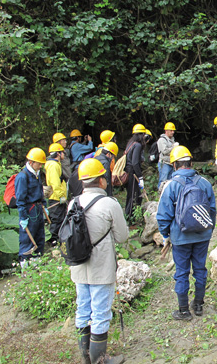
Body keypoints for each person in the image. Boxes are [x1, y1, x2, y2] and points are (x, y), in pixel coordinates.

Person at [71, 158, 128, 364]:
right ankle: (99, 359)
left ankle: (86, 357)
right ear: (102, 181)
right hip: (101, 266)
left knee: (83, 308)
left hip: (78, 265)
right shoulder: (109, 203)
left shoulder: (73, 203)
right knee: (101, 310)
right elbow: (122, 236)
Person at [156, 146, 216, 320]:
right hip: (202, 235)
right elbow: (212, 210)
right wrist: (208, 229)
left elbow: (163, 215)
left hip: (180, 237)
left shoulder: (171, 186)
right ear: (190, 163)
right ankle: (198, 305)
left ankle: (183, 310)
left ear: (174, 165)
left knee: (182, 272)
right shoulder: (204, 183)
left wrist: (166, 235)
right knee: (200, 269)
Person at [15, 148, 47, 266]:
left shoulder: (37, 174)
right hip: (29, 211)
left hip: (38, 209)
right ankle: (25, 266)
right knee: (27, 239)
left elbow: (40, 192)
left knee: (39, 237)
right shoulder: (23, 177)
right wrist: (23, 217)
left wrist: (44, 205)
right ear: (31, 162)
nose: (40, 166)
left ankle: (37, 264)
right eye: (39, 164)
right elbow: (20, 199)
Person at [45, 143, 68, 244]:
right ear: (58, 153)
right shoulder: (53, 165)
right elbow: (55, 183)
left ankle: (58, 238)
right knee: (57, 219)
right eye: (62, 152)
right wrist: (61, 196)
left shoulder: (55, 164)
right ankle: (52, 240)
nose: (64, 154)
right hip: (56, 197)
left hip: (57, 196)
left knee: (60, 218)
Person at [125, 124, 147, 222]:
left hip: (129, 172)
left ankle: (130, 216)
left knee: (131, 195)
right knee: (134, 196)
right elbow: (135, 163)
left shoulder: (131, 143)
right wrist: (140, 177)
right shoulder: (137, 145)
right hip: (133, 174)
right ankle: (130, 218)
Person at [155, 122, 179, 189]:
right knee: (163, 181)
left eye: (173, 130)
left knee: (170, 181)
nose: (173, 132)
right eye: (171, 130)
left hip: (171, 163)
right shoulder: (162, 140)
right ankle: (160, 195)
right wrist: (173, 147)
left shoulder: (172, 140)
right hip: (164, 163)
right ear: (166, 131)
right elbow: (164, 151)